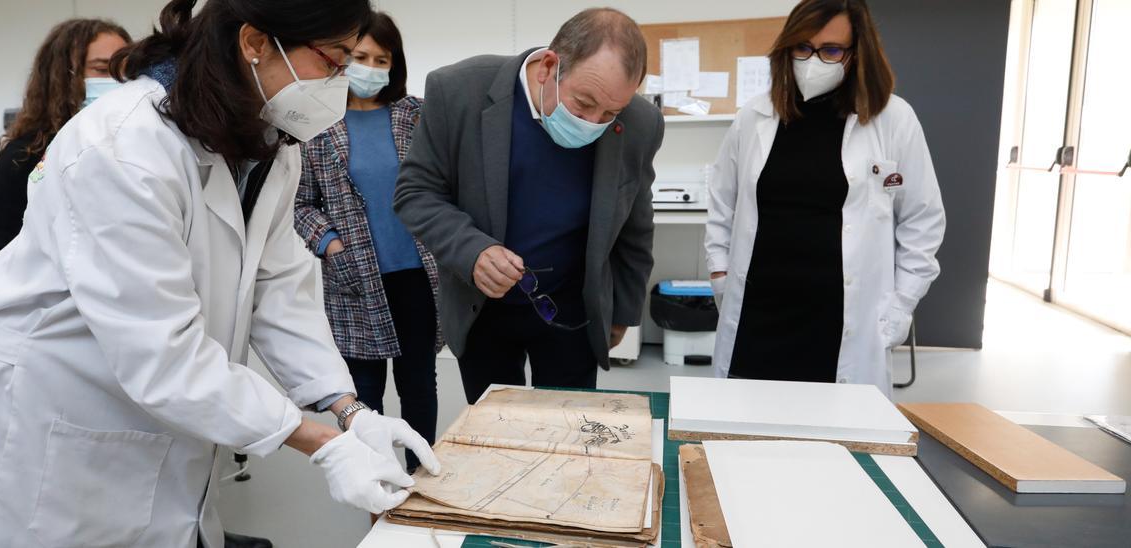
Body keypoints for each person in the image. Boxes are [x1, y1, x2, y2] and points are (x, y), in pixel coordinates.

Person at [0, 1, 439, 547]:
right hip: (54, 413)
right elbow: (161, 350)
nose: (339, 82)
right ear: (255, 43)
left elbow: (279, 289)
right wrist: (319, 441)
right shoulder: (124, 146)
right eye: (333, 60)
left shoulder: (268, 143)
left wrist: (349, 409)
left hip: (154, 414)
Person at [394, 8, 663, 404]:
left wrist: (623, 311)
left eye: (610, 113)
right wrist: (473, 251)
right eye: (583, 103)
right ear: (549, 67)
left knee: (570, 423)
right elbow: (416, 192)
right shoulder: (458, 91)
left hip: (573, 307)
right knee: (495, 427)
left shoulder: (642, 123)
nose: (593, 122)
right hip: (482, 305)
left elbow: (636, 226)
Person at [705, 0, 946, 397]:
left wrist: (901, 304)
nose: (813, 61)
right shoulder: (755, 116)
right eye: (802, 48)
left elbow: (923, 221)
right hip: (757, 318)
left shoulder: (893, 119)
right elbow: (722, 205)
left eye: (831, 50)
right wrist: (719, 273)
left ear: (857, 53)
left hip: (842, 326)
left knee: (837, 430)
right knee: (745, 422)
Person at [294, 12, 440, 474]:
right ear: (341, 58)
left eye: (382, 59)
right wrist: (331, 244)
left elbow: (442, 184)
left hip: (416, 275)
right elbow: (300, 203)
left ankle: (421, 481)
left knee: (420, 385)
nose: (371, 68)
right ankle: (376, 488)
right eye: (360, 57)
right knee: (364, 394)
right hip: (354, 280)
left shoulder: (416, 115)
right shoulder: (315, 124)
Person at [0, 19, 131, 263]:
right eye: (102, 69)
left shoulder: (131, 146)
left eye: (127, 69)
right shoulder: (24, 156)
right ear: (63, 76)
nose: (119, 80)